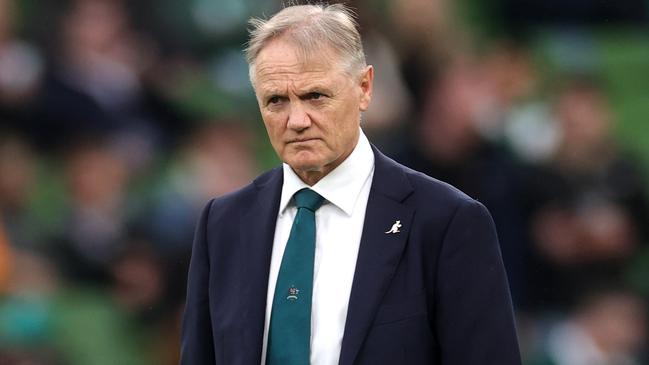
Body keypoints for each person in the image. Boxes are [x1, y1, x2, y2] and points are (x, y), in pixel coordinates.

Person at [180, 4, 521, 365]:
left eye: (315, 96)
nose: (296, 120)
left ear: (364, 88)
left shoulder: (446, 221)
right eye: (276, 100)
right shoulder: (223, 223)